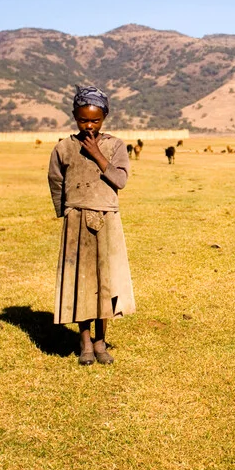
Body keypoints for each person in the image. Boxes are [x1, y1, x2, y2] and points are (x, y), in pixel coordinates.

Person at [48, 86, 136, 365]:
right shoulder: (63, 147)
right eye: (83, 120)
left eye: (95, 120)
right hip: (76, 221)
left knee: (105, 283)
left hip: (107, 219)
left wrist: (97, 154)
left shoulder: (115, 146)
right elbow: (56, 182)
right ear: (74, 116)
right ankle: (84, 343)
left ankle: (101, 342)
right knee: (81, 284)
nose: (89, 126)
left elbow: (120, 180)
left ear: (105, 117)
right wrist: (66, 213)